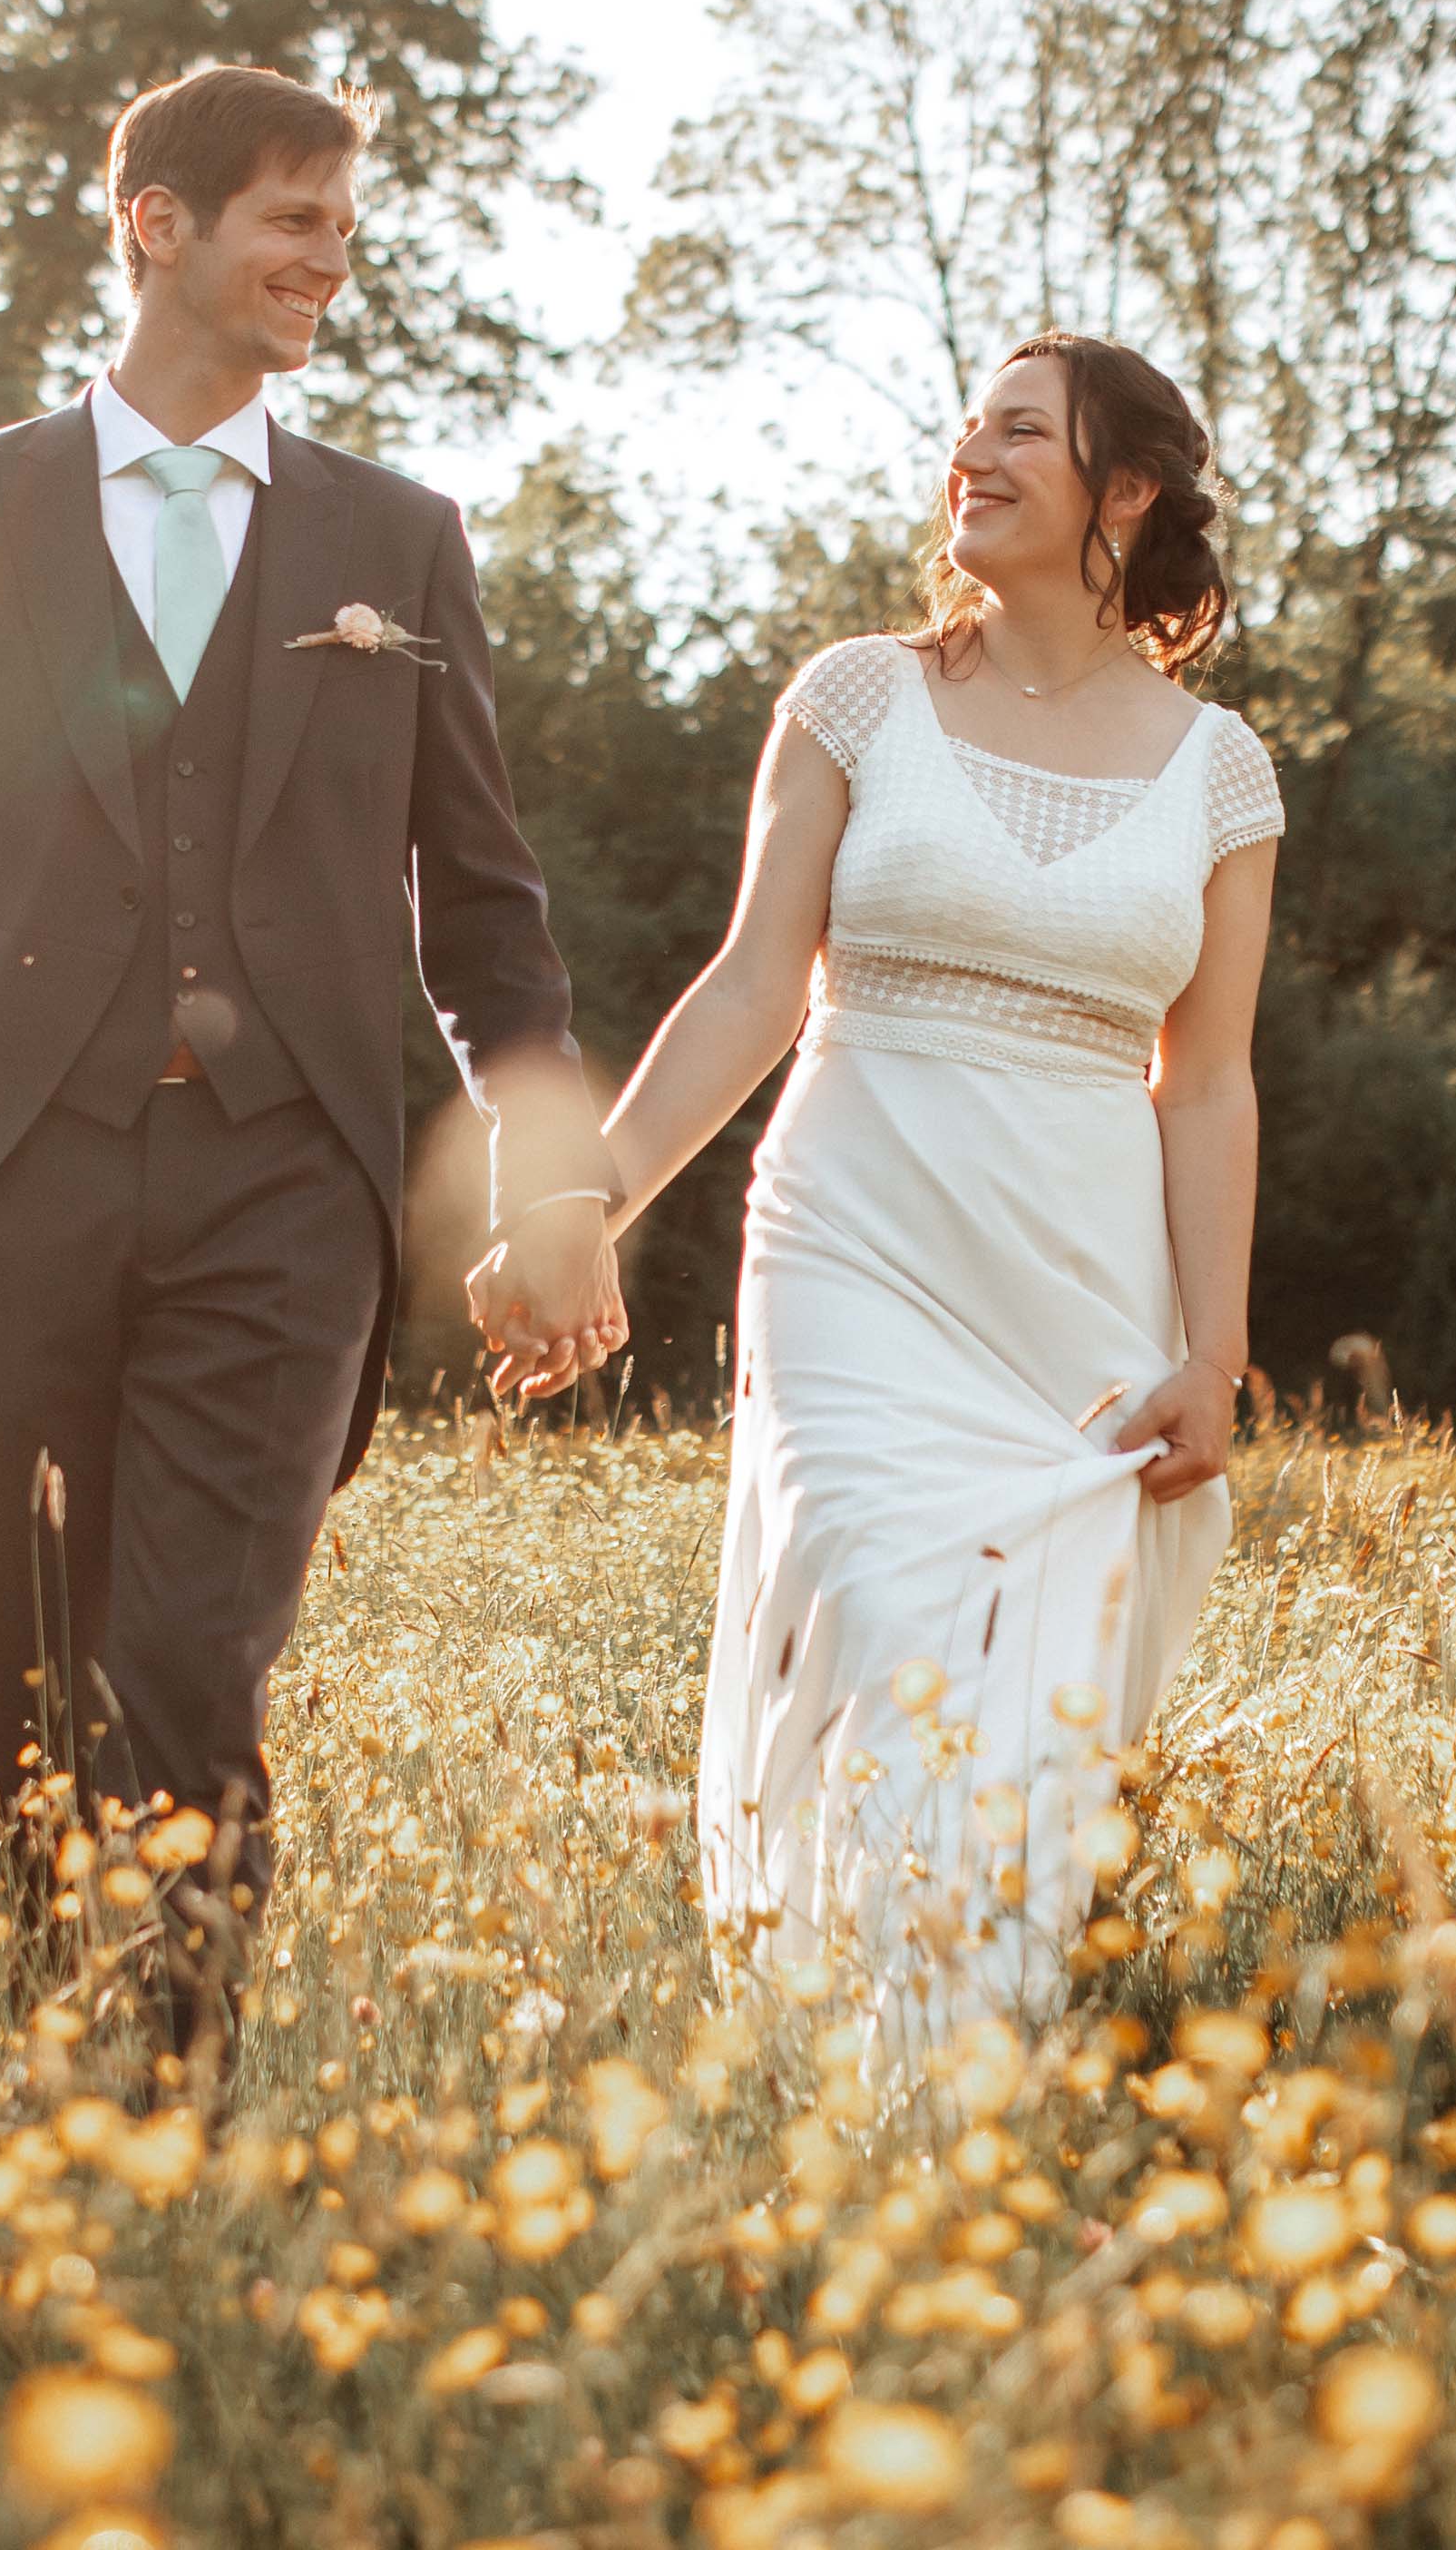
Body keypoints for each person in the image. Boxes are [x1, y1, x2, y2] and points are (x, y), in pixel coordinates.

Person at [0, 64, 624, 2073]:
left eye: (342, 226)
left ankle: (170, 2117)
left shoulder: (399, 538)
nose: (330, 259)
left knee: (189, 1664)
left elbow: (484, 908)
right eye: (293, 220)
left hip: (287, 1197)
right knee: (29, 1689)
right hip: (13, 1183)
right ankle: (71, 2093)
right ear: (160, 224)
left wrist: (556, 1185)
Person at [520, 333, 1277, 2052]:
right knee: (870, 1595)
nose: (974, 455)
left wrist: (1215, 1356)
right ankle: (842, 2045)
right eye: (966, 431)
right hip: (855, 1237)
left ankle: (947, 2110)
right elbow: (747, 990)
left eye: (1023, 431)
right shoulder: (859, 697)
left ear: (1128, 489)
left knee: (1029, 1697)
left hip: (1082, 1283)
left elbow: (1211, 1076)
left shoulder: (1218, 769)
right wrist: (595, 1204)